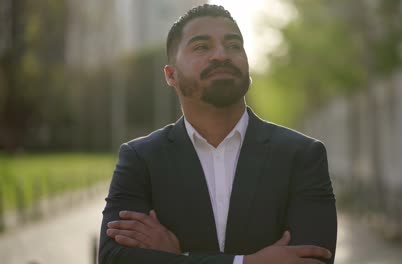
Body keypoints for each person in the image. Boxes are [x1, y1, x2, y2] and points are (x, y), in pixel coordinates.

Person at [99, 4, 337, 264]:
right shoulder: (140, 159)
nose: (222, 55)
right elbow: (113, 258)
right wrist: (247, 262)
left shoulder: (302, 156)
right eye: (202, 47)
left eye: (234, 45)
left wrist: (179, 257)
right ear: (171, 75)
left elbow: (314, 260)